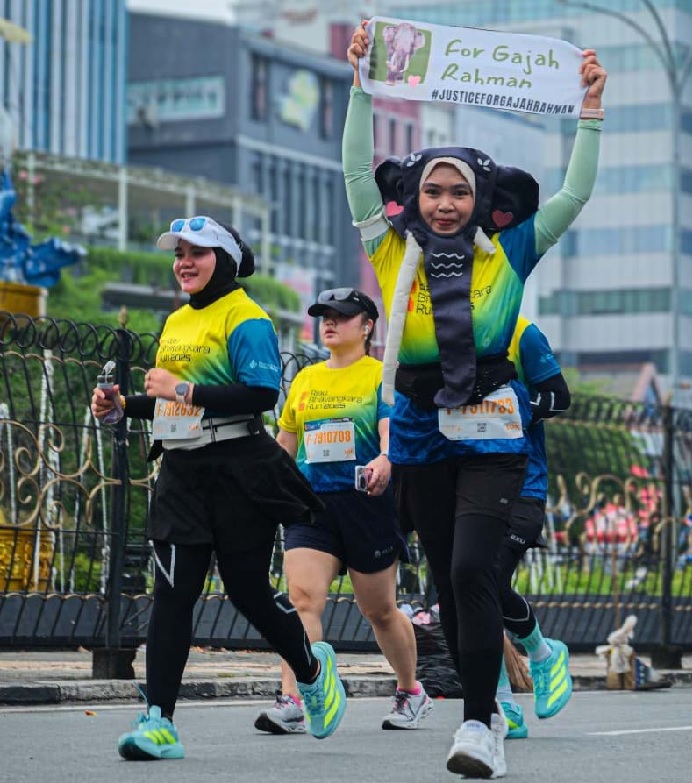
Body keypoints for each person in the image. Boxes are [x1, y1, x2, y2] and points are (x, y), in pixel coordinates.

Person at [345, 22, 606, 779]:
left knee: (469, 571)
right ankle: (489, 707)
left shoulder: (515, 247)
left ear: (482, 197)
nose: (448, 202)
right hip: (422, 426)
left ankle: (477, 726)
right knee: (443, 578)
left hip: (493, 426)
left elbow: (574, 191)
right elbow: (356, 173)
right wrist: (359, 83)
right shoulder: (389, 247)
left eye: (461, 190)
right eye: (433, 189)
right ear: (414, 197)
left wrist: (589, 111)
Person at [90, 216, 347, 760]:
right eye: (179, 253)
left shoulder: (247, 318)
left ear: (224, 261)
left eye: (197, 253)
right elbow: (170, 404)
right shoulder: (176, 320)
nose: (184, 262)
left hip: (238, 469)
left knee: (247, 591)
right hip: (183, 474)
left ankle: (311, 671)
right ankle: (158, 721)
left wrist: (182, 386)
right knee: (173, 595)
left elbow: (259, 394)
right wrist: (121, 410)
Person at [254, 287, 433, 735]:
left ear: (367, 326)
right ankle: (298, 696)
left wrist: (385, 460)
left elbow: (390, 429)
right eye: (324, 316)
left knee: (380, 611)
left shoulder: (379, 375)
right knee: (302, 600)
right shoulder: (307, 379)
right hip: (311, 505)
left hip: (365, 505)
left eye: (342, 315)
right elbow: (287, 441)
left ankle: (411, 690)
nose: (329, 323)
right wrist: (264, 487)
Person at [494, 317, 573, 740]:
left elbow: (559, 397)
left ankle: (542, 655)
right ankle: (503, 707)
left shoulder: (521, 331)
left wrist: (509, 410)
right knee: (465, 590)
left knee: (484, 579)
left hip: (522, 485)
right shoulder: (435, 336)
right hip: (463, 484)